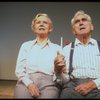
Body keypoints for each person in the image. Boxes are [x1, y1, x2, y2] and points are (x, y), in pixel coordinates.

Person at [14, 13, 63, 99]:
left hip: (49, 83)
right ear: (34, 28)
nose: (41, 24)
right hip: (26, 81)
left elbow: (60, 78)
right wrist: (29, 84)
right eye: (38, 22)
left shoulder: (57, 49)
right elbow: (19, 70)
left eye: (45, 22)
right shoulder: (26, 45)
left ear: (50, 28)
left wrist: (58, 70)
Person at [54, 10, 100, 98]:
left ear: (91, 27)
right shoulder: (66, 50)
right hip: (73, 88)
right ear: (73, 31)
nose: (81, 23)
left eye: (84, 20)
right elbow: (64, 81)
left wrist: (94, 83)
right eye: (77, 21)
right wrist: (58, 71)